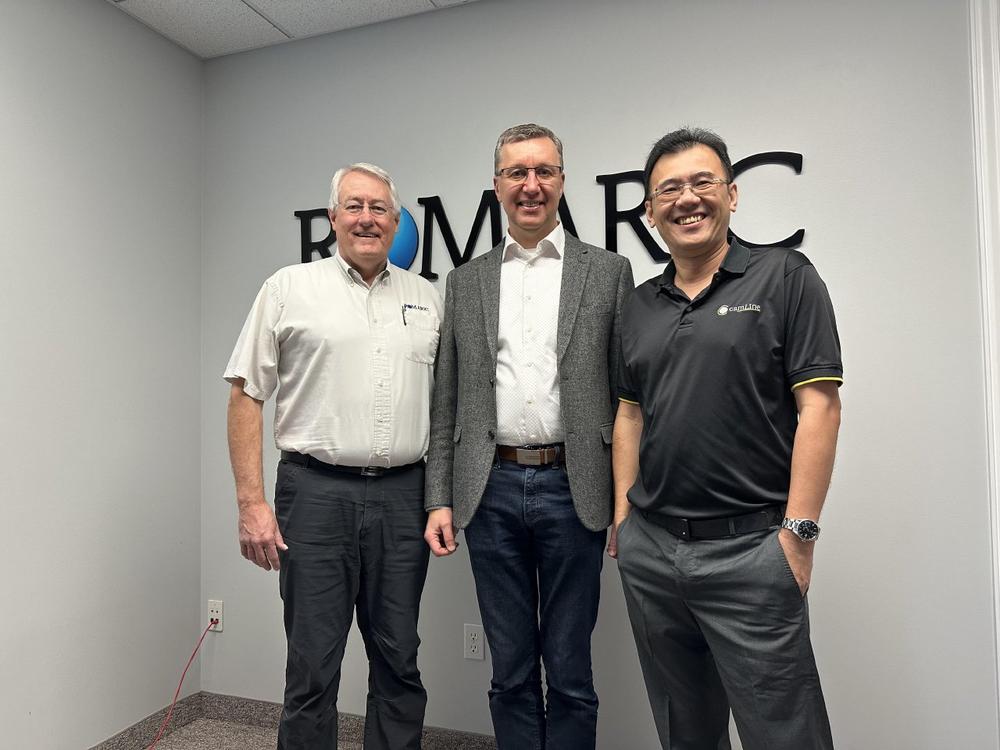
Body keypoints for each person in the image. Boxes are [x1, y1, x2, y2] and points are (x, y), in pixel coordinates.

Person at [610, 127, 843, 750]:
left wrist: (799, 534)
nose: (687, 199)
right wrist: (624, 521)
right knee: (684, 731)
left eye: (702, 182)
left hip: (751, 551)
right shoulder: (638, 305)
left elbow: (820, 407)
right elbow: (629, 414)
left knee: (785, 735)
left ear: (732, 195)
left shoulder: (785, 276)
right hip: (653, 552)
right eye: (669, 190)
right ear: (650, 211)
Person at [424, 123, 633, 750]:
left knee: (570, 670)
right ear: (497, 186)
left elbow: (629, 400)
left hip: (577, 488)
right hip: (489, 489)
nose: (531, 184)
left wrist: (627, 501)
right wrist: (439, 498)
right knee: (510, 669)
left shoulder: (608, 272)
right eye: (517, 172)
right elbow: (446, 400)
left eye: (544, 171)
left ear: (563, 181)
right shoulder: (466, 280)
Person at [224, 163, 442, 750]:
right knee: (312, 664)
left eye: (379, 208)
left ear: (396, 221)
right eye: (354, 206)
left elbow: (445, 410)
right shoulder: (288, 288)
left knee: (399, 658)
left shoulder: (427, 298)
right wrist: (251, 504)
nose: (367, 219)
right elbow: (245, 394)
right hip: (315, 494)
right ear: (333, 217)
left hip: (404, 496)